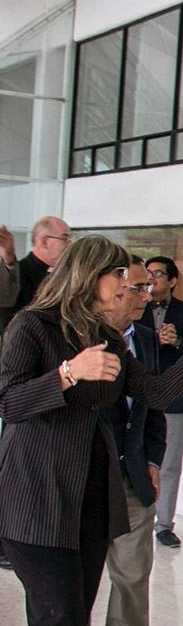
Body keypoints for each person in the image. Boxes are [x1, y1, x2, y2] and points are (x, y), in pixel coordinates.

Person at [0, 236, 183, 626]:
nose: (128, 284)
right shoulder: (32, 327)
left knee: (65, 620)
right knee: (58, 625)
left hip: (93, 497)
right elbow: (8, 402)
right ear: (87, 275)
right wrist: (67, 374)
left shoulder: (109, 338)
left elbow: (157, 395)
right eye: (118, 275)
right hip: (37, 496)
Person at [79, 256, 172, 626]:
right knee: (81, 577)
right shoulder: (79, 339)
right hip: (89, 474)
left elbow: (154, 404)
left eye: (146, 287)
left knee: (134, 571)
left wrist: (153, 461)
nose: (144, 295)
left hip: (134, 471)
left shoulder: (147, 338)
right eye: (136, 287)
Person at [0, 218, 72, 571]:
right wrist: (8, 261)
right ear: (43, 241)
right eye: (65, 238)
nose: (69, 244)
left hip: (54, 380)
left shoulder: (61, 276)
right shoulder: (23, 272)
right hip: (24, 379)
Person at [140, 256, 183, 548]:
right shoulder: (135, 306)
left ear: (172, 280)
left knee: (170, 464)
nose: (151, 278)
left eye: (158, 274)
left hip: (174, 397)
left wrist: (176, 342)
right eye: (148, 273)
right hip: (138, 393)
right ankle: (136, 523)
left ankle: (164, 525)